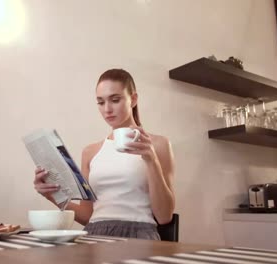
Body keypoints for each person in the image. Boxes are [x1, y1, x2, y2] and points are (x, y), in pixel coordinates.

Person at [33, 69, 175, 240]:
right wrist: (50, 195)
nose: (107, 109)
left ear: (133, 99)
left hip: (138, 234)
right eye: (100, 102)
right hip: (94, 234)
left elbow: (164, 216)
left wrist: (151, 159)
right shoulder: (90, 152)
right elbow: (86, 216)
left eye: (115, 100)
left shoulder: (158, 145)